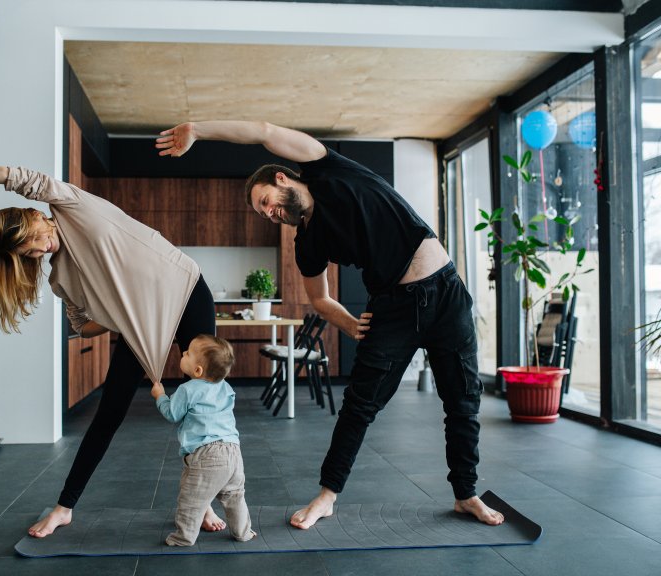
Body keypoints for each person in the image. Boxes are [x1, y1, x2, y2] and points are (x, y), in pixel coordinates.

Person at [155, 121, 505, 529]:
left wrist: (198, 129)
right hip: (392, 308)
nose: (269, 213)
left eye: (266, 200)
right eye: (263, 212)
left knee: (463, 402)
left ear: (283, 178)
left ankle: (466, 494)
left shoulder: (328, 169)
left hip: (446, 294)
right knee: (358, 406)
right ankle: (327, 497)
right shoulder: (307, 243)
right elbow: (318, 298)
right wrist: (352, 324)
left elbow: (265, 130)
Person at [0, 166, 229, 537]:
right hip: (140, 327)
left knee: (201, 405)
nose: (37, 249)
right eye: (27, 252)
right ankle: (64, 507)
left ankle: (203, 501)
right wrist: (117, 315)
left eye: (31, 239)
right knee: (109, 414)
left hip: (186, 291)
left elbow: (7, 173)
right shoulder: (59, 277)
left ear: (36, 215)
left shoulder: (71, 204)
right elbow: (83, 325)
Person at [151, 334, 256, 546]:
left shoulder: (187, 389)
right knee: (235, 496)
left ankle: (184, 537)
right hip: (233, 451)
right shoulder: (226, 387)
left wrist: (160, 396)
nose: (183, 353)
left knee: (191, 499)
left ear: (197, 370)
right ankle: (243, 532)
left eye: (188, 353)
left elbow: (172, 414)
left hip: (207, 454)